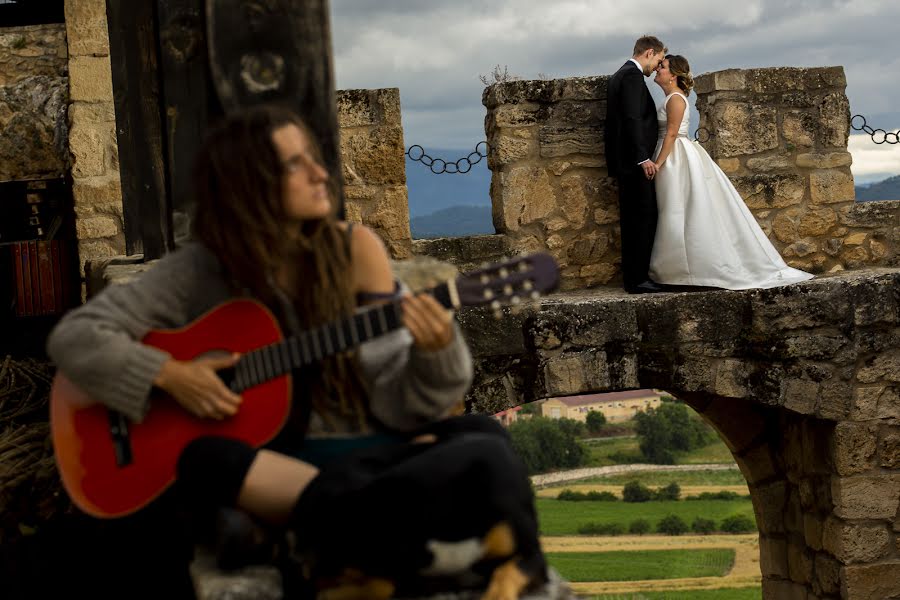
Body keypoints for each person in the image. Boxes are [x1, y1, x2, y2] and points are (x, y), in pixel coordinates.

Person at [43, 104, 480, 599]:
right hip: (263, 460)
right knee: (207, 461)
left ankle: (294, 532)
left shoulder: (354, 252)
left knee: (480, 433)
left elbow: (400, 403)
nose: (321, 173)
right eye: (295, 164)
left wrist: (436, 352)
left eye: (314, 158)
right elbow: (74, 337)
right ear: (249, 183)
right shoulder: (203, 270)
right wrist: (168, 375)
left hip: (356, 447)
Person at [648, 55, 814, 289]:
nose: (657, 70)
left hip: (675, 156)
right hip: (674, 153)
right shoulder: (673, 98)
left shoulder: (675, 99)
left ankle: (682, 268)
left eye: (662, 67)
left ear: (673, 75)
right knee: (675, 207)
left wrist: (658, 163)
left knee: (677, 207)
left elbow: (672, 134)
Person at [605, 35, 668, 294]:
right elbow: (631, 118)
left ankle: (634, 278)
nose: (658, 66)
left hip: (625, 162)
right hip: (633, 164)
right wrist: (643, 158)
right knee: (642, 219)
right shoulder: (631, 76)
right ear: (650, 52)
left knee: (634, 219)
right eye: (659, 60)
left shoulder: (621, 74)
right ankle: (638, 279)